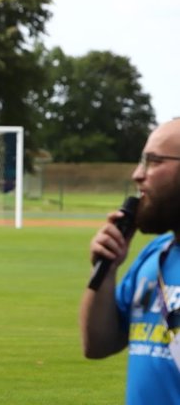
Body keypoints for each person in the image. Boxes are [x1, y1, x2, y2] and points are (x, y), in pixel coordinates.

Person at [80, 118, 180, 404]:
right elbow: (98, 344)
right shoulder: (155, 255)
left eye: (154, 161)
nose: (138, 174)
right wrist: (106, 270)